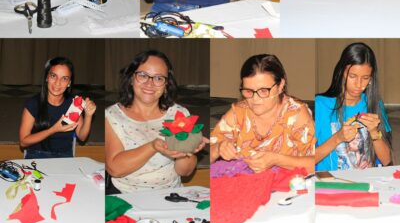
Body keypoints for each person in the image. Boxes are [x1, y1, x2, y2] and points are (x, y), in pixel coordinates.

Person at [105, 50, 208, 193]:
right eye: (143, 75)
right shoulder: (113, 115)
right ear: (131, 79)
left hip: (170, 193)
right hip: (126, 194)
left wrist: (187, 150)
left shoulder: (178, 114)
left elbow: (185, 172)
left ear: (166, 85)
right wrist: (153, 146)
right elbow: (114, 169)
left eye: (158, 78)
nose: (150, 83)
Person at [210, 54, 315, 173]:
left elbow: (315, 163)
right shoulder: (238, 113)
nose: (255, 99)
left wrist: (277, 160)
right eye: (248, 91)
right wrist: (218, 148)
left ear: (280, 85)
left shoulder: (296, 114)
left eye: (264, 91)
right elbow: (207, 155)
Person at [315, 42, 392, 171]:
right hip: (331, 179)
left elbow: (387, 161)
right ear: (341, 73)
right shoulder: (321, 105)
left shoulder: (375, 103)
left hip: (368, 179)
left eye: (365, 78)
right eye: (352, 76)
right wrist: (338, 138)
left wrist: (374, 132)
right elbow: (306, 160)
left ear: (371, 79)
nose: (359, 84)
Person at [19, 57, 97, 158]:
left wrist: (88, 116)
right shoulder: (33, 104)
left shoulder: (74, 103)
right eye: (53, 76)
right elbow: (23, 142)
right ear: (47, 77)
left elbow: (82, 137)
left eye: (64, 78)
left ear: (69, 83)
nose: (57, 83)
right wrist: (53, 130)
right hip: (36, 155)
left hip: (64, 156)